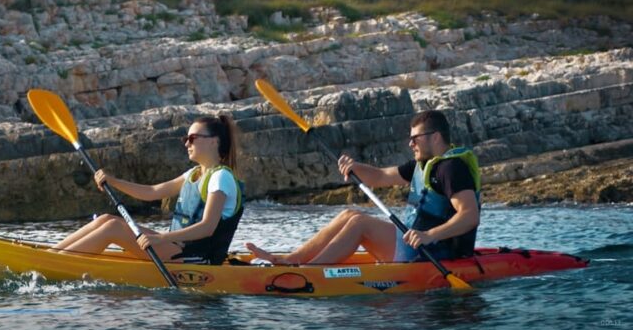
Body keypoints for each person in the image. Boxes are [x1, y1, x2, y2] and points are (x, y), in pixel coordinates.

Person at [246, 110, 480, 265]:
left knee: (360, 224)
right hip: (413, 245)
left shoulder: (451, 168)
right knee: (350, 214)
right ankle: (291, 260)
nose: (410, 144)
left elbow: (470, 216)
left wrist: (428, 235)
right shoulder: (423, 164)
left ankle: (309, 271)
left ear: (436, 137)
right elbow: (379, 176)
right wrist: (356, 167)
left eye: (415, 138)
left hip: (435, 252)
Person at [52, 115, 244, 265]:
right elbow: (152, 192)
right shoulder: (194, 174)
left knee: (113, 228)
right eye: (186, 138)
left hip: (196, 259)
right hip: (177, 249)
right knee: (105, 219)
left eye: (192, 138)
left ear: (214, 141)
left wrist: (160, 238)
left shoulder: (221, 177)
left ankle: (55, 264)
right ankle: (49, 256)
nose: (187, 143)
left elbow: (207, 228)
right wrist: (112, 181)